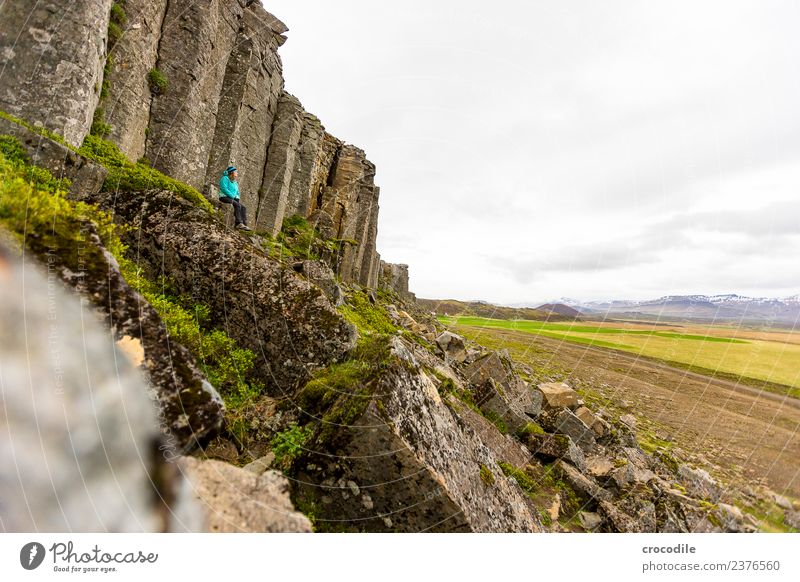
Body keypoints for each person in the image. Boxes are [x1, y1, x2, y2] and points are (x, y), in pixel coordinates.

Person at [218, 166, 251, 230]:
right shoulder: (225, 178)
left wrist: (237, 198)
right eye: (236, 172)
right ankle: (238, 223)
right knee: (237, 205)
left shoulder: (235, 182)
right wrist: (232, 196)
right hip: (224, 197)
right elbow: (224, 188)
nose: (237, 173)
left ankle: (244, 224)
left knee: (243, 208)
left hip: (231, 198)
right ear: (231, 173)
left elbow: (237, 192)